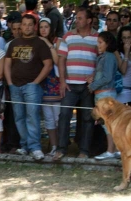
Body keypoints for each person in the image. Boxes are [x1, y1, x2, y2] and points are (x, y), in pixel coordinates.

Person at [5, 14, 53, 160]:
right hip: (15, 86)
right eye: (24, 24)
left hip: (32, 86)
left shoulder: (40, 43)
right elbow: (7, 64)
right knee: (19, 117)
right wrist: (10, 82)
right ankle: (25, 146)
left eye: (29, 24)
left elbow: (48, 64)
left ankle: (35, 147)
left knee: (32, 117)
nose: (26, 27)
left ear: (34, 26)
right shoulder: (14, 43)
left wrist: (36, 82)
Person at [53, 8, 98, 161]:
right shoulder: (68, 36)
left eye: (80, 18)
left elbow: (101, 59)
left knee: (87, 117)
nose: (76, 20)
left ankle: (84, 151)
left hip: (88, 87)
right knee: (64, 115)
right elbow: (61, 60)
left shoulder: (97, 37)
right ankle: (61, 149)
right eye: (76, 18)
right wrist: (62, 81)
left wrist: (94, 75)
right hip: (70, 85)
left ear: (89, 20)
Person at [89, 31, 118, 160]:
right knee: (107, 124)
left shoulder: (109, 57)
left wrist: (93, 85)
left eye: (100, 42)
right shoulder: (102, 57)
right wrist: (92, 79)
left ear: (108, 43)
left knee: (108, 125)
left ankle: (111, 151)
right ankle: (114, 150)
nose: (98, 45)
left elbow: (107, 77)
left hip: (106, 94)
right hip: (101, 94)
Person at [38, 17, 61, 156]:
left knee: (58, 117)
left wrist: (47, 43)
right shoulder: (36, 42)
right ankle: (53, 146)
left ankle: (60, 145)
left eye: (46, 27)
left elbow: (58, 61)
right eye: (41, 27)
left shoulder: (58, 41)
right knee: (48, 119)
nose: (43, 29)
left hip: (56, 83)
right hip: (43, 84)